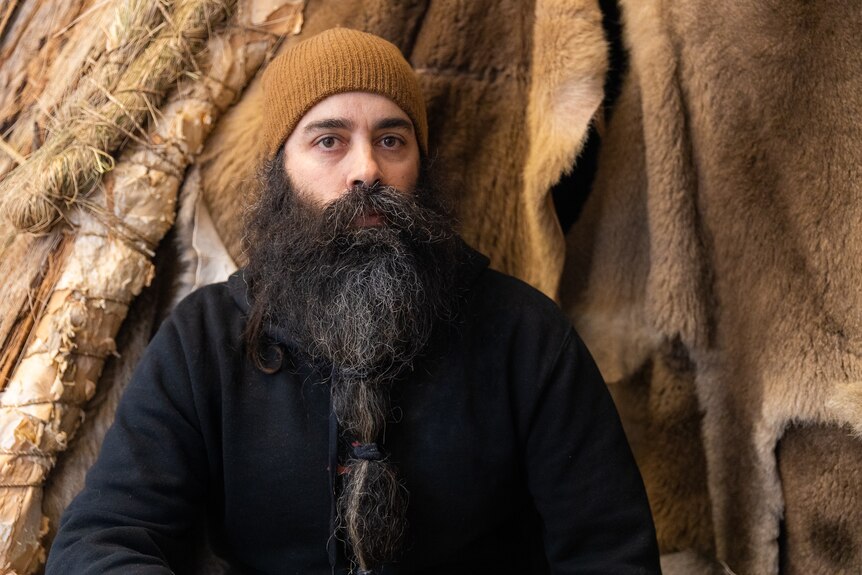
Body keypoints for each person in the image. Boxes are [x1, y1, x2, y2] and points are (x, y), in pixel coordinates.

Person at [46, 28, 660, 574]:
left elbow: (611, 552)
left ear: (420, 165)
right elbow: (102, 541)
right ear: (279, 171)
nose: (367, 168)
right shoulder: (203, 340)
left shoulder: (526, 336)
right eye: (329, 141)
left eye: (392, 140)